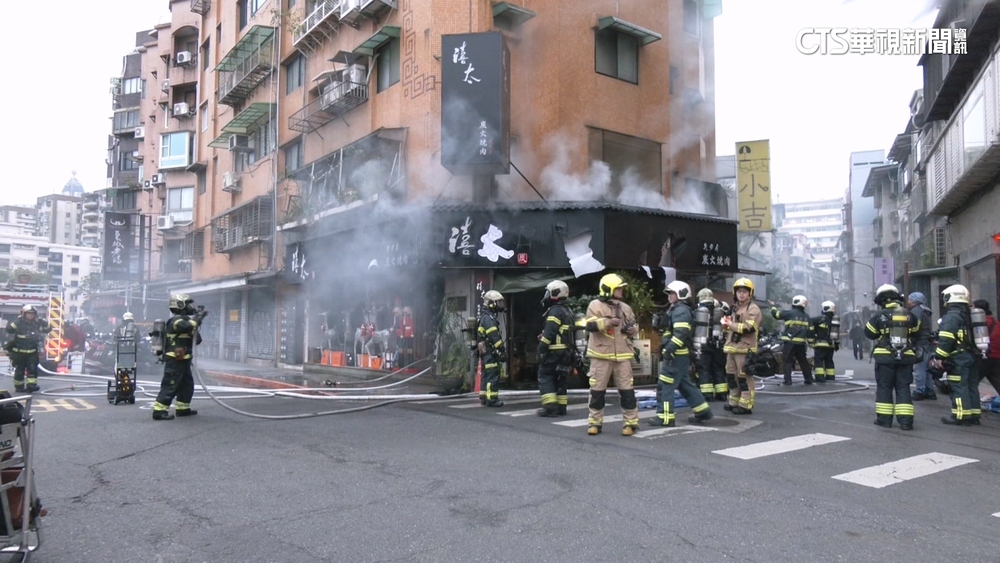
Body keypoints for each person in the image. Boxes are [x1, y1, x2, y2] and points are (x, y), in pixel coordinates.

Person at [649, 281, 713, 427]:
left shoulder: (680, 310)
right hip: (680, 355)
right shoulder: (678, 309)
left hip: (675, 354)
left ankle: (665, 417)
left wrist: (669, 349)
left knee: (665, 384)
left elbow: (681, 333)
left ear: (681, 294)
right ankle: (703, 411)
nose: (669, 296)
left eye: (672, 293)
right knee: (684, 384)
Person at [584, 273, 640, 436]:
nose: (621, 291)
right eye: (618, 289)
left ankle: (630, 423)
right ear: (608, 289)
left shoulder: (625, 308)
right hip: (601, 354)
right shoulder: (595, 305)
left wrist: (632, 330)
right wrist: (607, 322)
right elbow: (589, 325)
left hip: (622, 355)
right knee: (597, 391)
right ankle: (594, 423)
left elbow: (634, 325)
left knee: (627, 391)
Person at [864, 284, 920, 430]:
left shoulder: (878, 316)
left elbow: (869, 333)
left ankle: (884, 420)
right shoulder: (909, 315)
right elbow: (916, 331)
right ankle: (906, 422)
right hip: (906, 357)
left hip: (884, 358)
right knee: (903, 388)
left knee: (884, 387)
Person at [931, 285, 981, 426]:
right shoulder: (969, 314)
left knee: (959, 386)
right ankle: (974, 415)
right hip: (973, 355)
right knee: (971, 385)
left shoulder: (952, 316)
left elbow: (946, 339)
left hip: (959, 357)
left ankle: (960, 415)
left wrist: (939, 356)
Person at [151, 294, 206, 421]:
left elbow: (197, 340)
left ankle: (182, 408)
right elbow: (186, 326)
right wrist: (197, 318)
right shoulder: (176, 321)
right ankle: (159, 410)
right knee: (171, 385)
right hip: (175, 360)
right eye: (187, 304)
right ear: (180, 305)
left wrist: (195, 327)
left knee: (186, 385)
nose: (190, 306)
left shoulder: (186, 321)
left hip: (185, 359)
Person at [722, 278, 763, 415]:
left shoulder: (753, 308)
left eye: (744, 292)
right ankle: (734, 402)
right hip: (732, 347)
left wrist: (731, 325)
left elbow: (749, 328)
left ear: (750, 293)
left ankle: (746, 405)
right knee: (731, 376)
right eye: (739, 291)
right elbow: (732, 328)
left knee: (743, 378)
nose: (741, 294)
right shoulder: (734, 308)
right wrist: (726, 324)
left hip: (745, 349)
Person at [536, 280, 575, 417]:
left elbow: (549, 334)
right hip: (566, 353)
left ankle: (550, 407)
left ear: (554, 293)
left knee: (545, 376)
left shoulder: (554, 311)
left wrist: (541, 349)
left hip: (553, 352)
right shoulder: (568, 311)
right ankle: (561, 407)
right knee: (561, 379)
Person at [4, 305, 51, 393]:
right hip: (19, 352)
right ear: (24, 314)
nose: (30, 315)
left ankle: (31, 386)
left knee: (32, 369)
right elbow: (9, 329)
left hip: (32, 352)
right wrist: (17, 322)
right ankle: (19, 387)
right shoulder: (19, 323)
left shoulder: (37, 323)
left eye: (32, 314)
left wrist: (44, 322)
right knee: (20, 370)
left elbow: (48, 330)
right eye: (28, 313)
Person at [771, 295, 815, 385]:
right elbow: (811, 331)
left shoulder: (789, 313)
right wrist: (810, 342)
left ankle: (788, 380)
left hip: (790, 342)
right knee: (803, 361)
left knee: (787, 361)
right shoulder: (807, 317)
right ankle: (809, 379)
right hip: (801, 343)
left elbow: (777, 315)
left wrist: (773, 307)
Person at [695, 289, 729, 401]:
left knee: (704, 369)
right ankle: (722, 393)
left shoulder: (698, 310)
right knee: (718, 368)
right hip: (717, 344)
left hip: (703, 345)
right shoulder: (719, 310)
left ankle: (707, 394)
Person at [476, 290, 508, 407]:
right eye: (498, 303)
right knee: (492, 375)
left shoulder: (486, 316)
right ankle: (492, 399)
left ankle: (484, 396)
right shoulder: (488, 318)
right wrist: (502, 350)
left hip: (486, 352)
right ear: (491, 303)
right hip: (490, 352)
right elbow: (493, 336)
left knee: (486, 374)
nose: (500, 305)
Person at [907, 292, 936, 401]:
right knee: (927, 368)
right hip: (927, 342)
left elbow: (915, 327)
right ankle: (929, 390)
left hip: (920, 343)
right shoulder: (925, 310)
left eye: (909, 299)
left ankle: (919, 390)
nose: (908, 302)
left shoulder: (916, 311)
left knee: (920, 367)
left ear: (914, 301)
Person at [973, 299, 1000, 397]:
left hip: (984, 357)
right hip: (997, 357)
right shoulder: (995, 322)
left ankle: (973, 405)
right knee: (997, 381)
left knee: (972, 382)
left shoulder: (979, 323)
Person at [809, 301, 839, 383]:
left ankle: (820, 377)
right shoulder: (834, 320)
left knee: (818, 360)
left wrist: (811, 337)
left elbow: (809, 322)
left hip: (820, 344)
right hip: (831, 345)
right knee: (829, 360)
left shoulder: (821, 318)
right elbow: (836, 334)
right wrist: (836, 344)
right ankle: (830, 376)